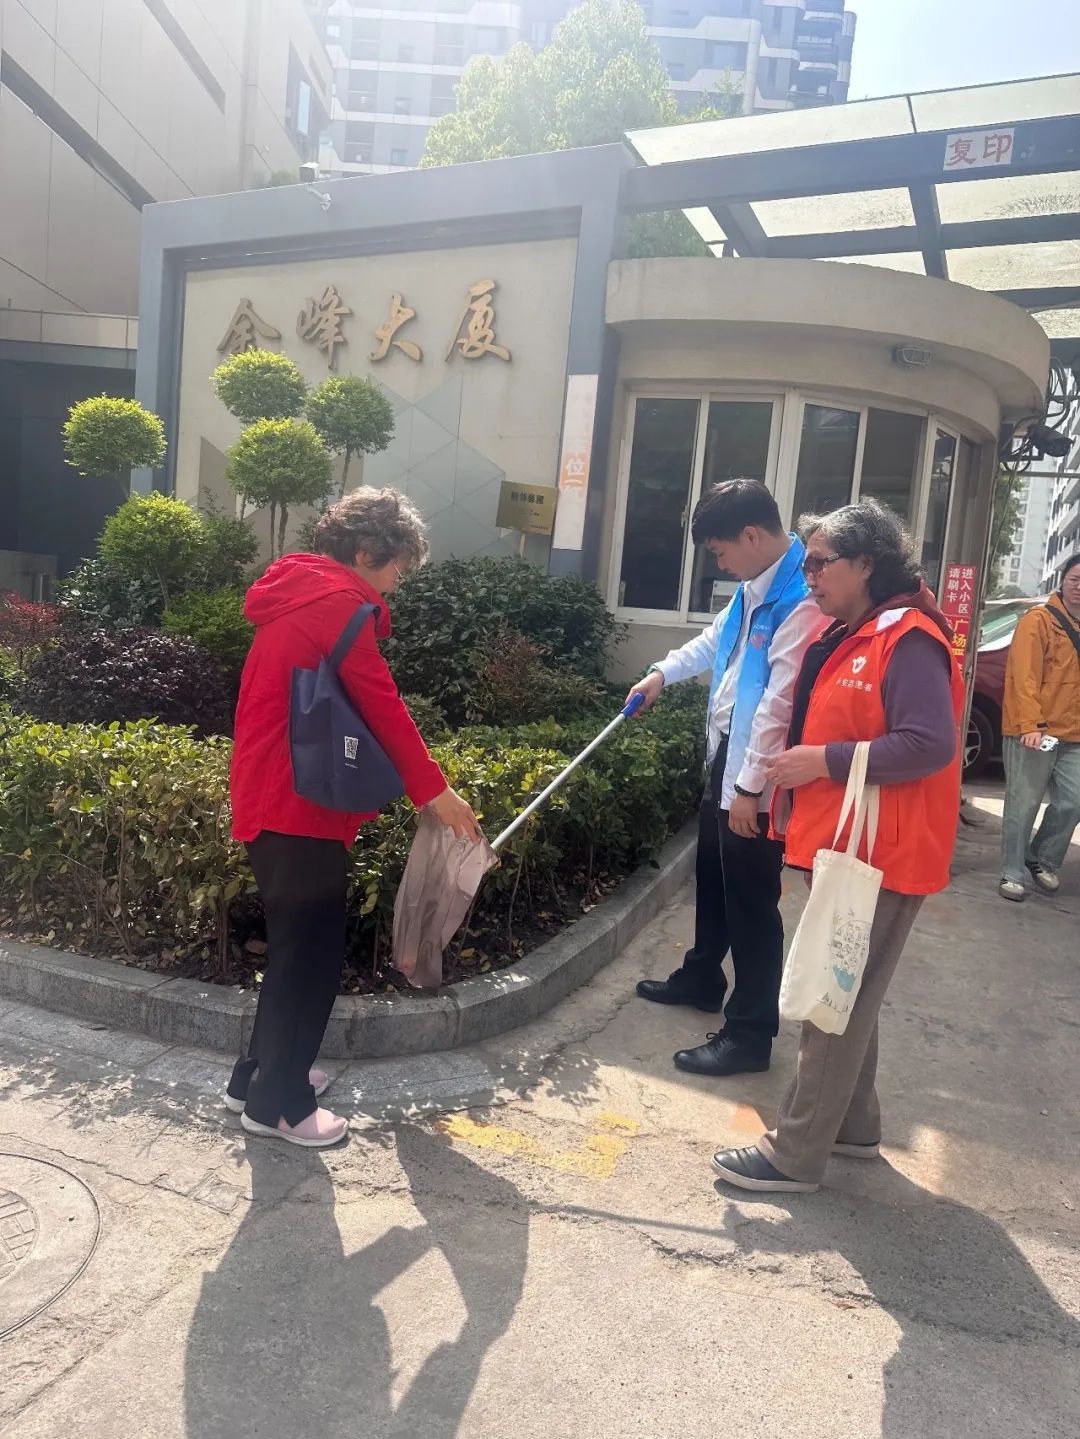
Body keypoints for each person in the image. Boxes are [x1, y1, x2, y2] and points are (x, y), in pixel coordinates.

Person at [711, 499, 963, 1194]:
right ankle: (853, 1125)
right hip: (851, 847)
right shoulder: (855, 631)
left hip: (881, 856)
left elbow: (929, 744)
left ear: (866, 564)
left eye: (822, 562)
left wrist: (821, 760)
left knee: (833, 1000)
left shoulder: (908, 637)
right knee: (849, 990)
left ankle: (794, 1153)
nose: (811, 573)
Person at [227, 488, 481, 1148]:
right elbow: (383, 705)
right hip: (299, 802)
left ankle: (255, 1077)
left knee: (293, 946)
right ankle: (280, 1105)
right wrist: (436, 792)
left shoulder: (297, 592)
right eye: (397, 564)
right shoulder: (338, 604)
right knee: (310, 955)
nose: (399, 578)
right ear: (366, 552)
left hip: (268, 792)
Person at [626, 480, 825, 1078]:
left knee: (752, 901)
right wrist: (660, 673)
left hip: (757, 779)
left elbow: (778, 704)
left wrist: (749, 789)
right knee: (713, 878)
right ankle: (702, 976)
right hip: (727, 761)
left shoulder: (800, 599)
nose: (720, 563)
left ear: (751, 535)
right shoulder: (753, 587)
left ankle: (750, 1033)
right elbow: (715, 643)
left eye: (719, 551)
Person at [998, 552, 1080, 902]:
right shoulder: (1039, 620)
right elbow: (1024, 676)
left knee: (1073, 802)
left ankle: (1041, 857)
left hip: (1074, 733)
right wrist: (1031, 724)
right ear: (1063, 581)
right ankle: (1012, 872)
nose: (1079, 587)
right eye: (1075, 580)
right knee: (1023, 804)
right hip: (1035, 731)